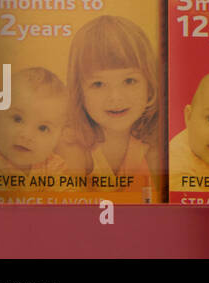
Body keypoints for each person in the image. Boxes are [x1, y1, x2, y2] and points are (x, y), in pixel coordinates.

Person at [60, 16, 161, 185]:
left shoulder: (153, 145)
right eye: (98, 84)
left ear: (149, 84)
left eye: (129, 81)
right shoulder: (71, 144)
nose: (116, 97)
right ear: (79, 91)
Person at [0, 67, 69, 179]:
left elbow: (66, 190)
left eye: (43, 128)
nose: (26, 135)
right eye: (17, 119)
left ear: (58, 137)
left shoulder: (51, 163)